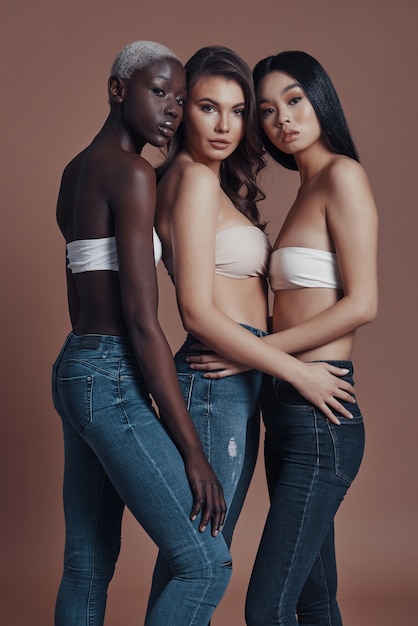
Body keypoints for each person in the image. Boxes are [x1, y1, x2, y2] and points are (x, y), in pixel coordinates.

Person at [146, 45, 357, 619]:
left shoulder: (209, 182)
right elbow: (196, 311)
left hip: (242, 377)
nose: (225, 125)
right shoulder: (191, 180)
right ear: (184, 110)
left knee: (197, 555)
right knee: (201, 560)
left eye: (239, 111)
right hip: (218, 378)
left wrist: (265, 363)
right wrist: (288, 367)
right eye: (209, 107)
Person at [51, 41, 233, 626]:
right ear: (117, 90)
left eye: (181, 100)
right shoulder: (132, 176)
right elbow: (142, 322)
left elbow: (77, 286)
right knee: (205, 563)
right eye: (159, 92)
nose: (172, 112)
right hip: (107, 375)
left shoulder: (75, 172)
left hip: (74, 366)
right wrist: (194, 453)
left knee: (87, 564)